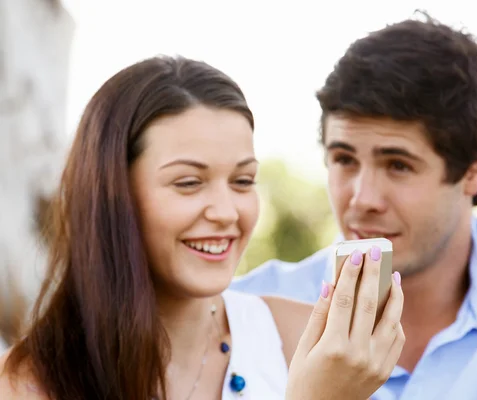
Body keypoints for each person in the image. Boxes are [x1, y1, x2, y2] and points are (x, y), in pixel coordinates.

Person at [230, 12, 477, 400]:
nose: (362, 199)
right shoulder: (251, 308)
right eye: (344, 159)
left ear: (476, 166)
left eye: (398, 165)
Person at [0, 55, 406, 400]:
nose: (227, 212)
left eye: (243, 181)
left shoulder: (311, 342)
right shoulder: (27, 383)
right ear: (112, 196)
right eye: (189, 183)